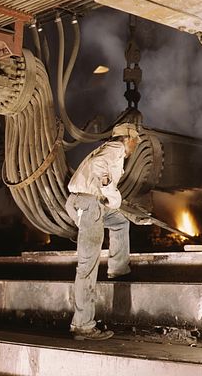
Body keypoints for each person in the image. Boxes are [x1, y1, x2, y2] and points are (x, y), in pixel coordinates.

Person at [65, 122, 141, 340]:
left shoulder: (109, 149)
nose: (136, 145)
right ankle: (83, 325)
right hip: (90, 205)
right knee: (87, 267)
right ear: (127, 138)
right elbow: (99, 167)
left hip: (88, 203)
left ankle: (118, 269)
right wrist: (109, 188)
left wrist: (112, 199)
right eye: (135, 140)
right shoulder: (116, 149)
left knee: (119, 222)